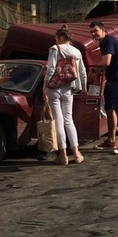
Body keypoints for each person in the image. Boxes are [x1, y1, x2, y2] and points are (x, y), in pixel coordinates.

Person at [42, 25, 87, 164]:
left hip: (54, 88)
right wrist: (84, 87)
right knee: (69, 120)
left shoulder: (56, 49)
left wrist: (45, 86)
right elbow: (82, 71)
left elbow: (50, 69)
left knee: (59, 122)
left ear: (60, 38)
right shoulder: (76, 51)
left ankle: (63, 155)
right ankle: (77, 153)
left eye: (56, 38)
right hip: (69, 88)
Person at [89, 20, 118, 154]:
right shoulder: (102, 43)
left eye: (95, 31)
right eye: (91, 32)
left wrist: (94, 69)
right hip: (111, 80)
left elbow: (106, 61)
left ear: (103, 30)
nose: (93, 34)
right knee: (109, 109)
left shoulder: (108, 41)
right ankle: (111, 141)